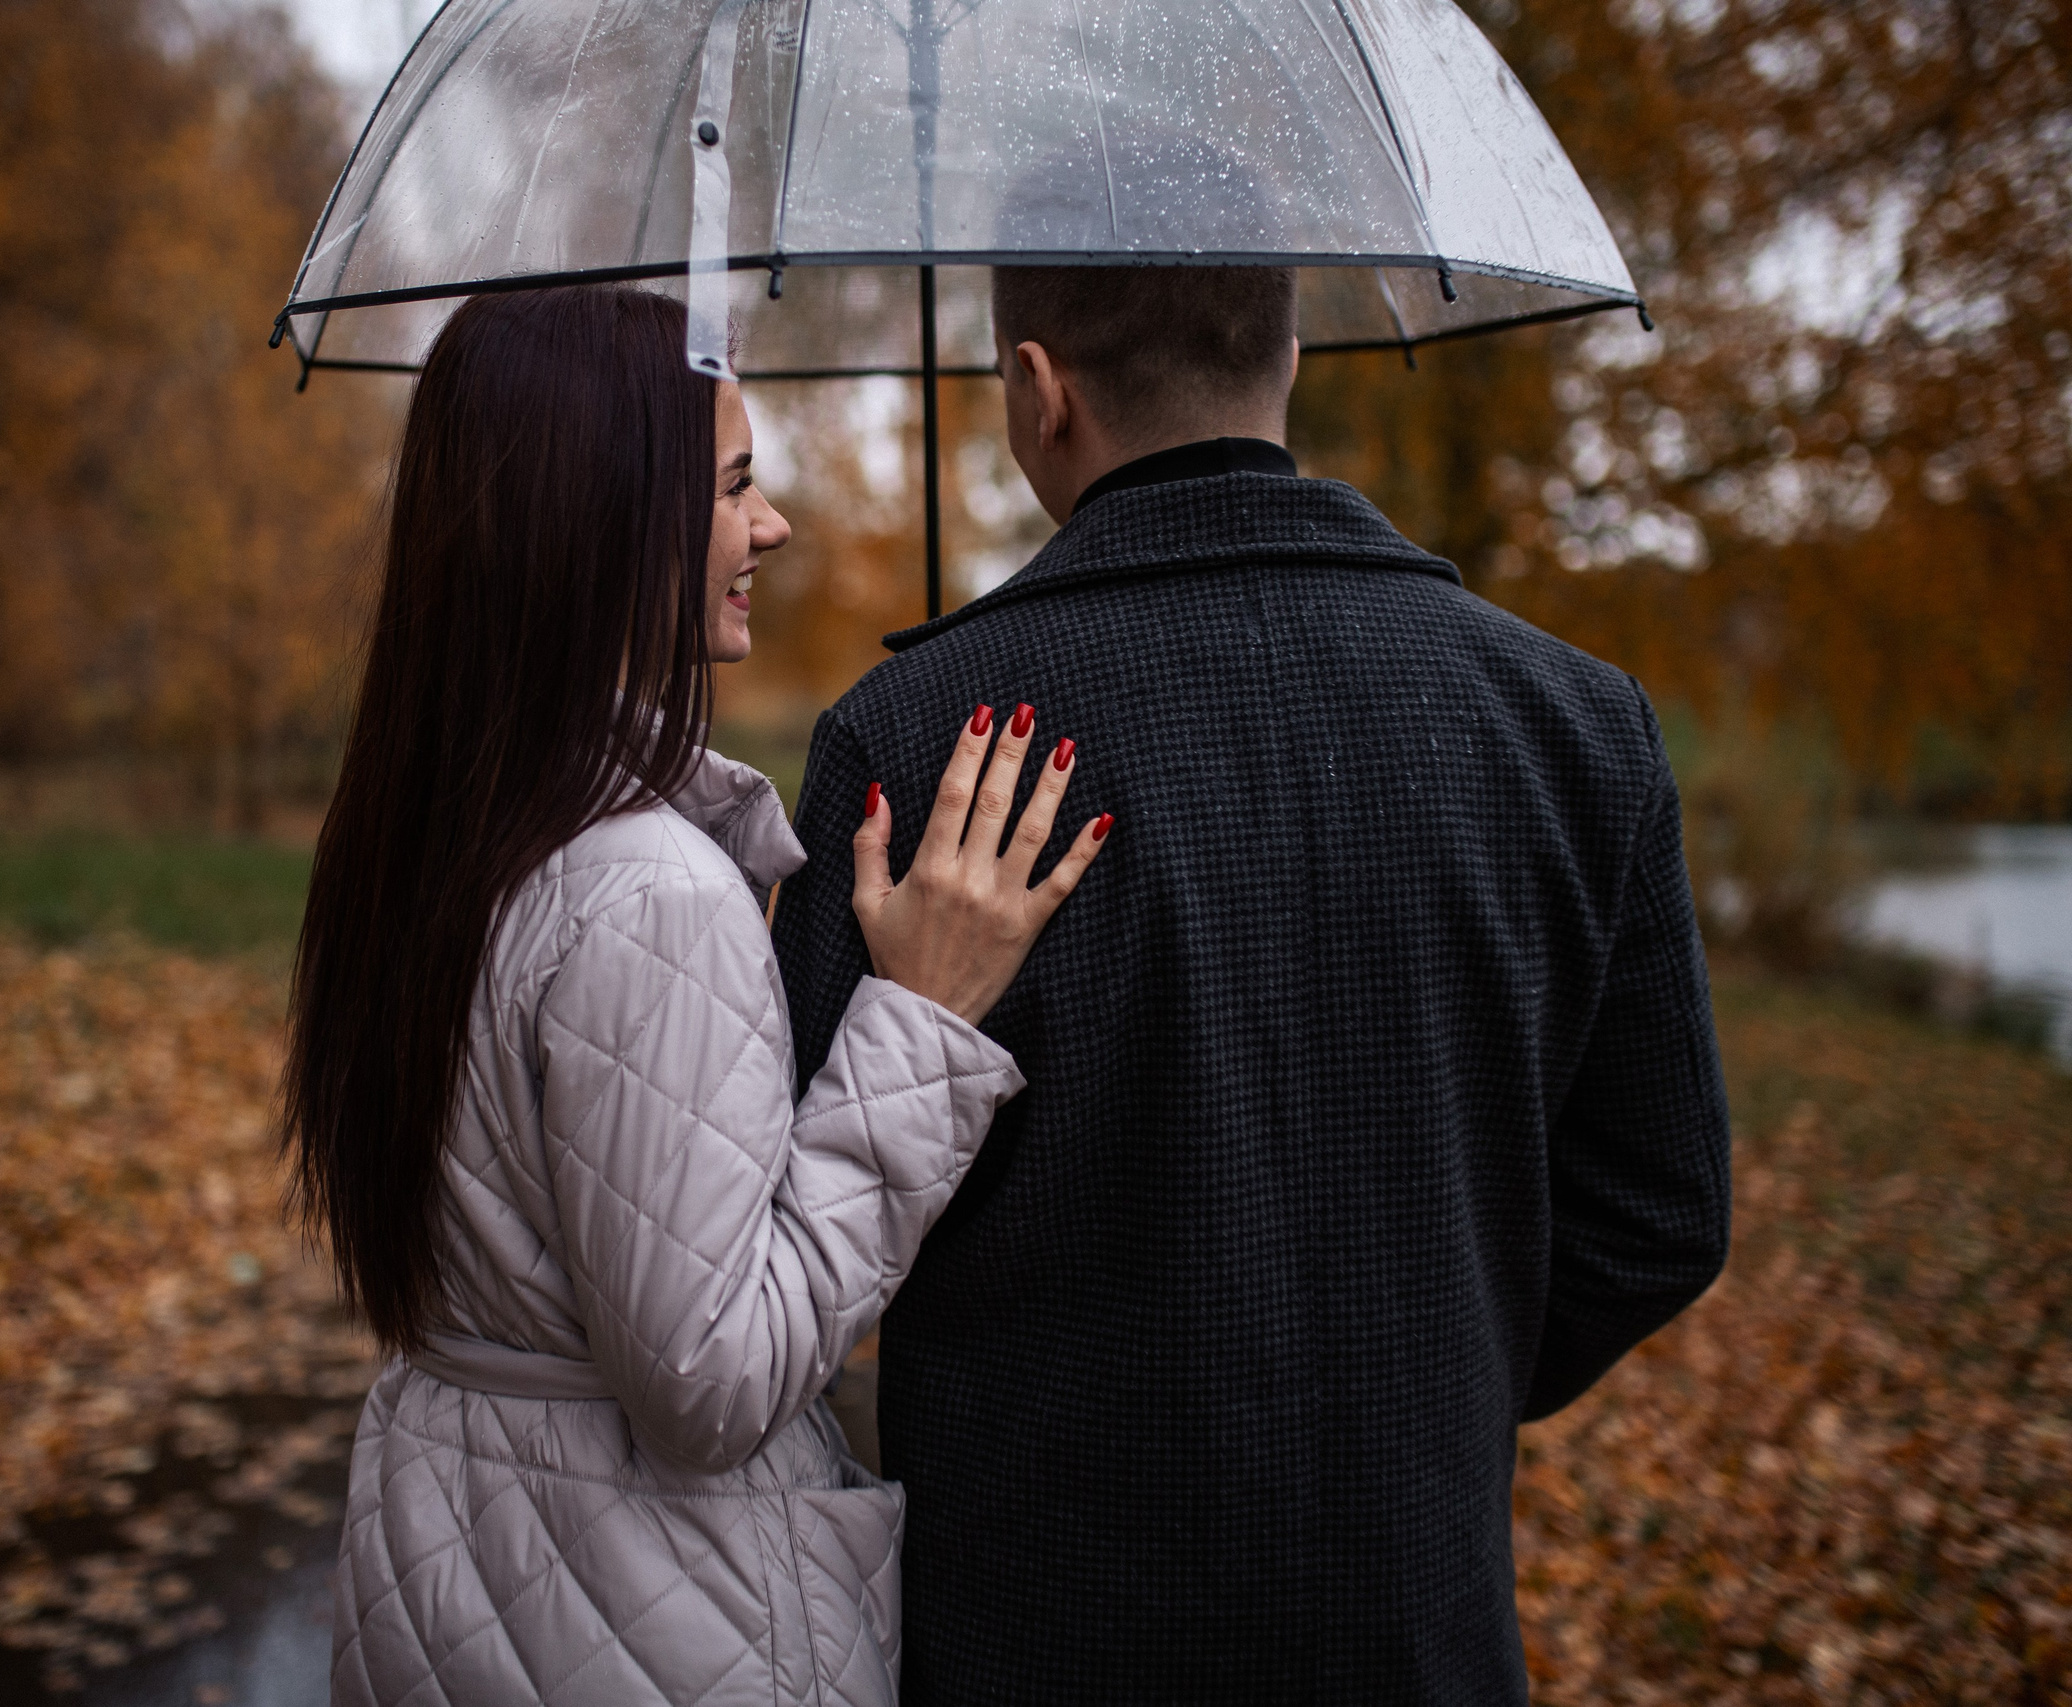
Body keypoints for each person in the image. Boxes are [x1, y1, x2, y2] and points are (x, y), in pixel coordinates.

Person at [769, 263, 1734, 1703]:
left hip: (1031, 1631)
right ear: (1289, 351)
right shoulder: (1576, 725)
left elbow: (785, 1244)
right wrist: (1427, 1387)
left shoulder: (914, 747)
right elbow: (1661, 1212)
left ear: (1040, 389)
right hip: (1415, 1630)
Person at [285, 283, 1111, 1706]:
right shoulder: (648, 892)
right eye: (734, 488)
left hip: (465, 1563)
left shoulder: (440, 824)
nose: (771, 529)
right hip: (650, 1613)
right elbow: (711, 1386)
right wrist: (919, 1025)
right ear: (604, 522)